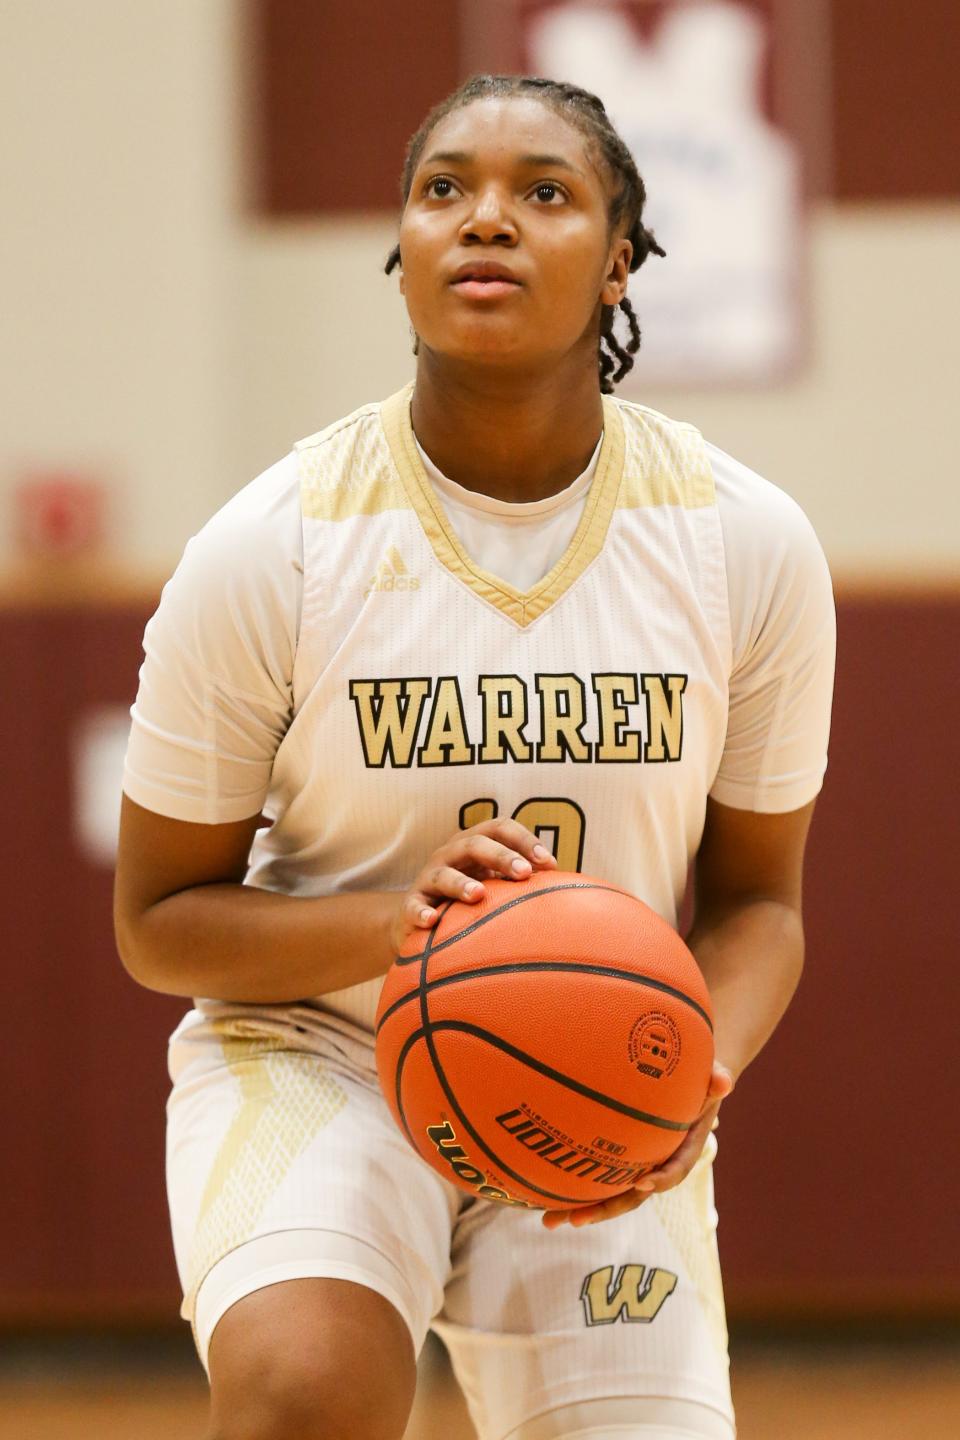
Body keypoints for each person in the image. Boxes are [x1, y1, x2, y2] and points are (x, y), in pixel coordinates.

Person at [114, 74, 835, 1440]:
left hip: (594, 1070)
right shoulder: (275, 546)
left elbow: (761, 905)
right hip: (319, 1054)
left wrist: (698, 1073)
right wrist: (407, 930)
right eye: (445, 189)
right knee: (302, 1399)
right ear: (404, 251)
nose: (484, 220)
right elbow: (157, 924)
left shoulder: (743, 542)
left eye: (543, 193)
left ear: (620, 260)